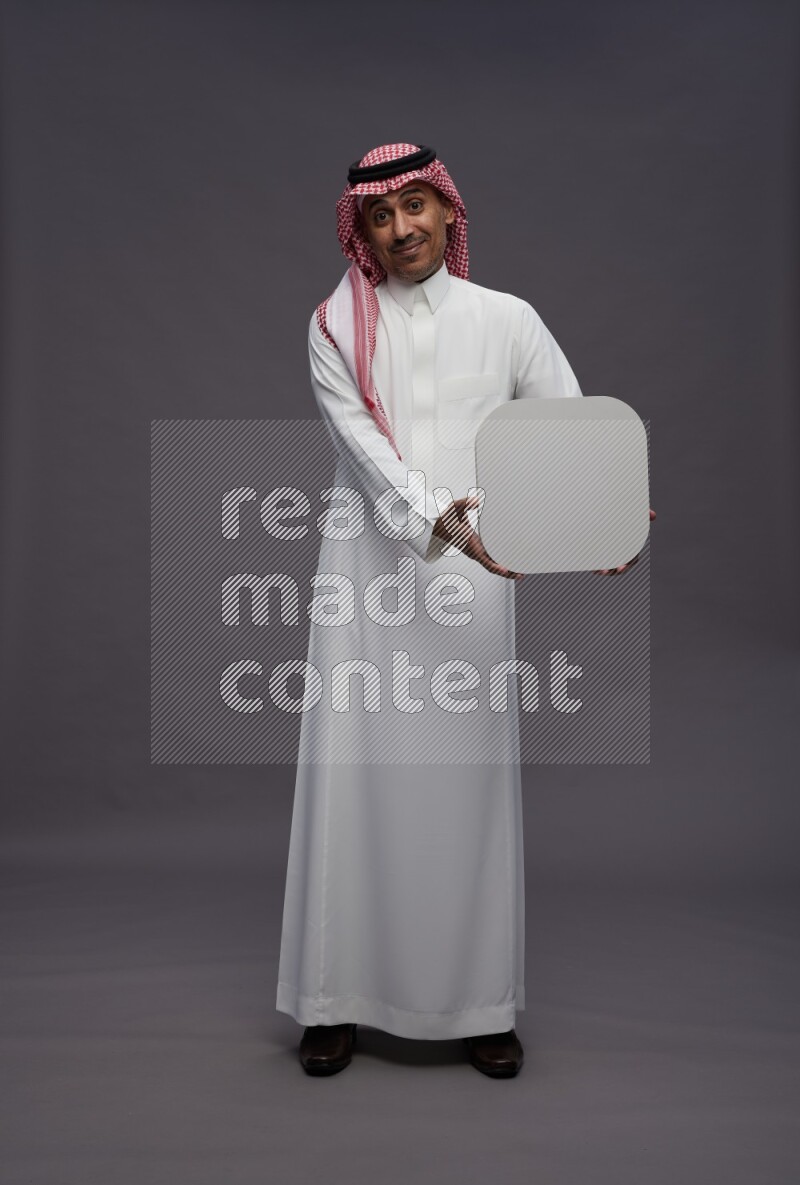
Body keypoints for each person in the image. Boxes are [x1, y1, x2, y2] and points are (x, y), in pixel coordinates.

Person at [276, 143, 619, 1077]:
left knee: (465, 794)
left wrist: (602, 512)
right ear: (364, 231)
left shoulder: (506, 319)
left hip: (473, 584)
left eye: (416, 208)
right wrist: (445, 523)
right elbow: (364, 452)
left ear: (448, 211)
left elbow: (566, 424)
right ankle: (332, 999)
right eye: (381, 218)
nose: (402, 231)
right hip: (365, 575)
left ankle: (480, 1005)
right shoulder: (335, 327)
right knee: (351, 782)